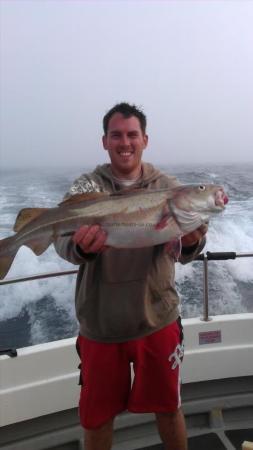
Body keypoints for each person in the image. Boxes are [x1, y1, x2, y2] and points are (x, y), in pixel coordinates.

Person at [54, 102, 207, 450]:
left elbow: (187, 249)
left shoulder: (167, 187)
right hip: (101, 325)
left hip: (157, 318)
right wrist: (82, 249)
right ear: (104, 141)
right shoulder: (85, 187)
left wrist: (193, 240)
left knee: (169, 408)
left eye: (132, 135)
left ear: (145, 140)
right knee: (97, 418)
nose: (125, 142)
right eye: (116, 135)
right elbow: (62, 244)